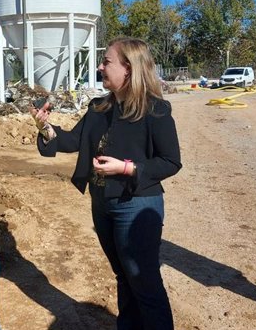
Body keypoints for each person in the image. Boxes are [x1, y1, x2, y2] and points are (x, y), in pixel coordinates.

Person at [30, 37, 182, 330]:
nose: (100, 67)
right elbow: (72, 140)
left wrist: (125, 168)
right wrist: (45, 127)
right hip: (101, 203)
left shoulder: (156, 111)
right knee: (124, 277)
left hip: (136, 204)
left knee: (145, 283)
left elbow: (171, 161)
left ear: (129, 68)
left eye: (106, 62)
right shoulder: (99, 107)